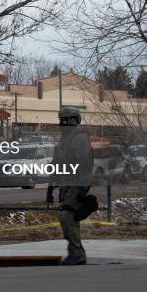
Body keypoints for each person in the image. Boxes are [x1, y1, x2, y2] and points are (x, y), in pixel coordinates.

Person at [54, 107, 93, 265]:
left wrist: (82, 189)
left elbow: (85, 165)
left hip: (77, 184)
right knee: (69, 218)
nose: (61, 123)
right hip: (67, 184)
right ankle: (75, 252)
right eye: (60, 120)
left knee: (66, 215)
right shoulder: (65, 139)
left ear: (72, 120)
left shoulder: (79, 139)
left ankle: (77, 253)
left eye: (63, 120)